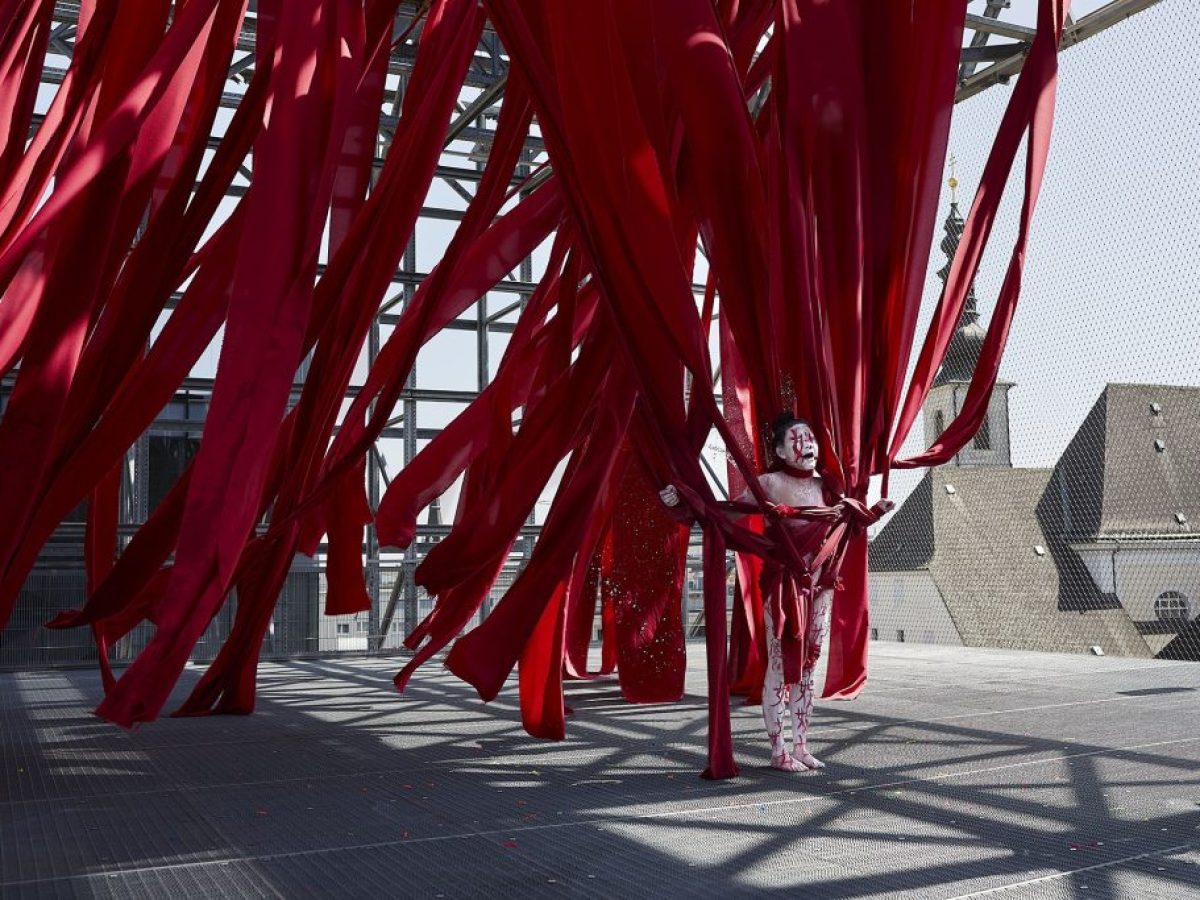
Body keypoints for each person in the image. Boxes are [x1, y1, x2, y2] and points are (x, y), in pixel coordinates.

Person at [660, 414, 892, 772]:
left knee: (810, 663)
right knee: (781, 663)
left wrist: (874, 510)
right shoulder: (766, 483)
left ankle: (801, 745)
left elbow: (849, 519)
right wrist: (682, 501)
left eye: (811, 437)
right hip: (784, 585)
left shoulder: (826, 486)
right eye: (797, 440)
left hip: (820, 584)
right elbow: (723, 515)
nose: (808, 445)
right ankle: (778, 750)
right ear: (781, 450)